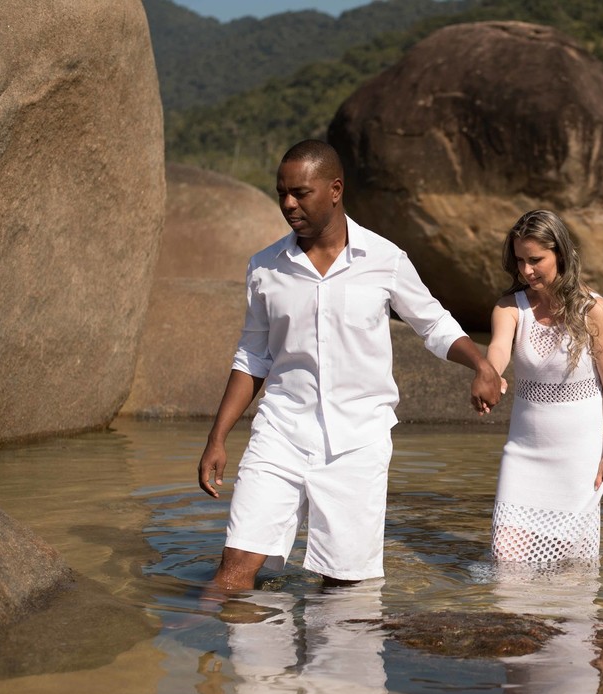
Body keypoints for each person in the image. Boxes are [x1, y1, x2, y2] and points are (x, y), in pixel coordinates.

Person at [198, 139, 501, 590]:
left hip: (358, 442)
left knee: (343, 587)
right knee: (235, 569)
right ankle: (214, 647)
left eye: (300, 193)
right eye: (282, 192)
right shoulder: (264, 268)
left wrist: (480, 363)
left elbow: (433, 323)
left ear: (335, 189)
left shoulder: (385, 260)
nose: (288, 204)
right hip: (279, 432)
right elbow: (253, 357)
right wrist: (217, 438)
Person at [484, 209, 603, 562]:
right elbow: (500, 347)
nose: (527, 270)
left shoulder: (594, 311)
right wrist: (492, 374)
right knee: (506, 555)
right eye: (519, 261)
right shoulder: (509, 308)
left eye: (536, 260)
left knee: (569, 568)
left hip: (579, 457)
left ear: (559, 254)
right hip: (523, 453)